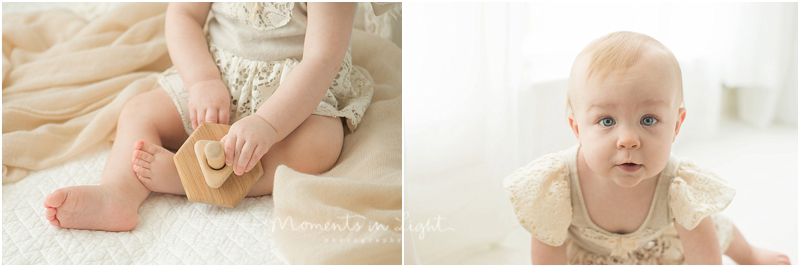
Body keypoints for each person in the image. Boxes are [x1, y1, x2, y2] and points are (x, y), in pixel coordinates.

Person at [44, 2, 373, 231]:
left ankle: (188, 179)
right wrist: (201, 80)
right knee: (139, 111)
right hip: (219, 76)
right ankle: (118, 194)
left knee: (319, 145)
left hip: (294, 92)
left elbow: (321, 60)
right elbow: (183, 14)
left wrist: (268, 124)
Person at [503, 31, 790, 264]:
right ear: (577, 129)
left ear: (676, 125)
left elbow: (705, 258)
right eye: (606, 120)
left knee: (715, 226)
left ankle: (750, 254)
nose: (628, 139)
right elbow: (547, 256)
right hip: (588, 253)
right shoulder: (555, 185)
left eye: (648, 119)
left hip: (661, 243)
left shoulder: (680, 185)